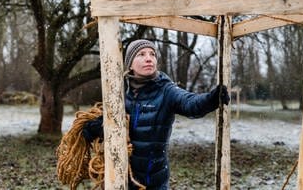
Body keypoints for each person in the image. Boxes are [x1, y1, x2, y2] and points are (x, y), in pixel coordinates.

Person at [82, 39, 229, 189]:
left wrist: (211, 99)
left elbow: (190, 104)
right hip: (124, 179)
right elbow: (113, 123)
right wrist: (97, 128)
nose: (149, 58)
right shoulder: (121, 94)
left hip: (154, 180)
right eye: (141, 54)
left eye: (152, 54)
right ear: (130, 65)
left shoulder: (166, 90)